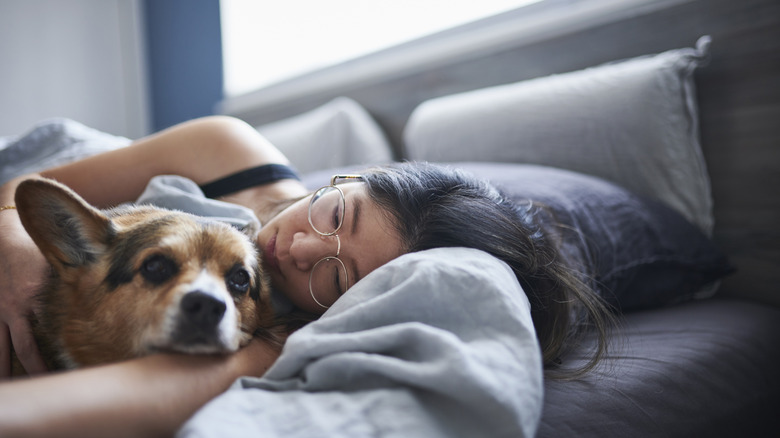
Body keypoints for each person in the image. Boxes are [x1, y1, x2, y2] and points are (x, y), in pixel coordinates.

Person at [0, 116, 611, 436]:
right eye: (336, 213)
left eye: (337, 278)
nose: (297, 247)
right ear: (348, 178)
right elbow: (15, 199)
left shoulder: (280, 328)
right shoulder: (226, 146)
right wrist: (16, 246)